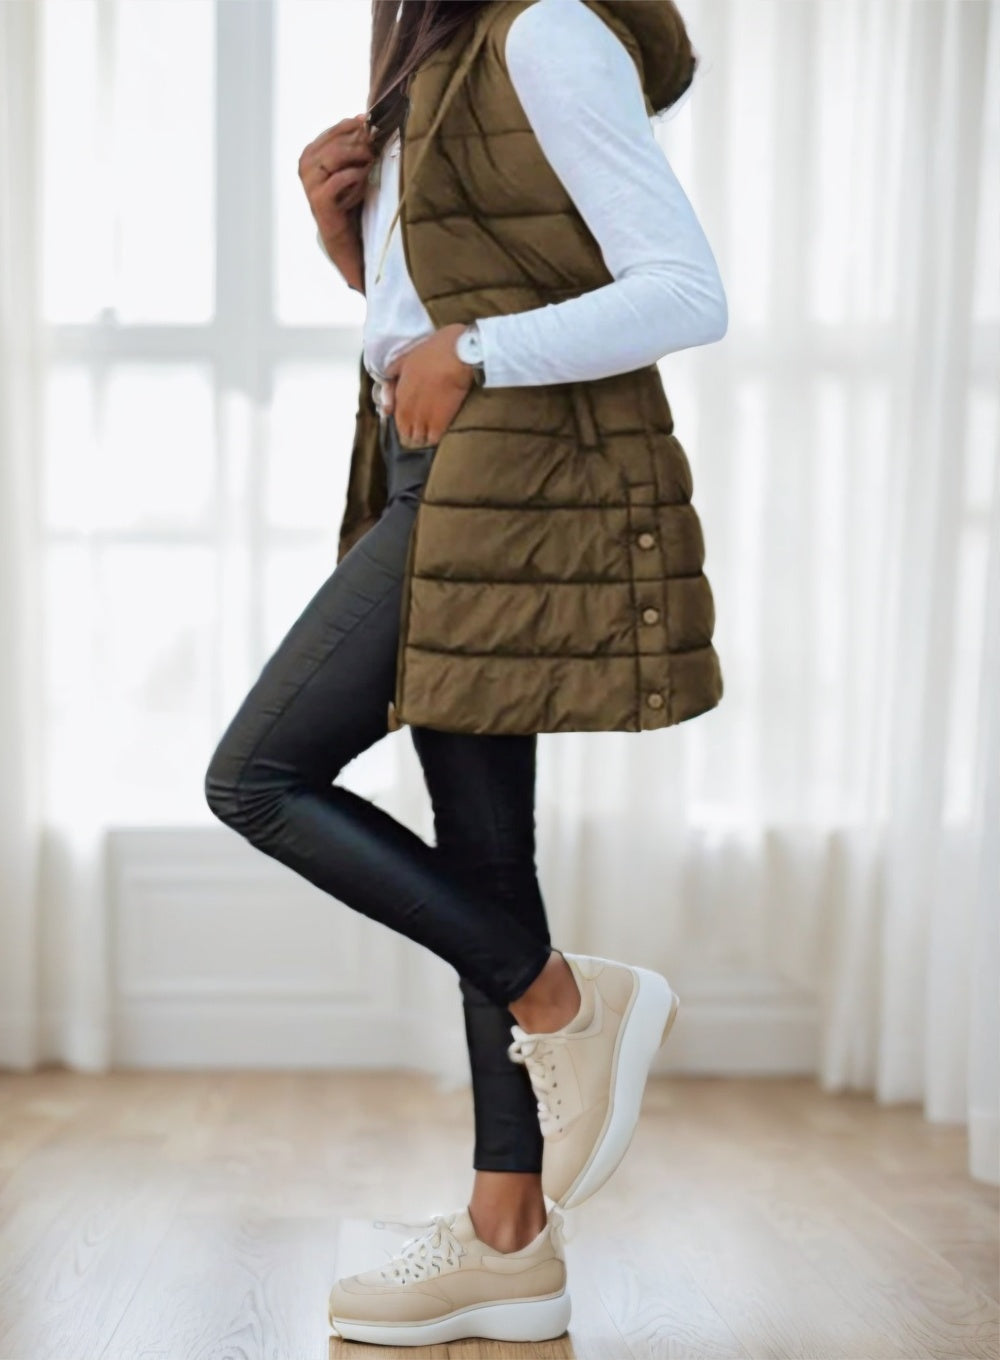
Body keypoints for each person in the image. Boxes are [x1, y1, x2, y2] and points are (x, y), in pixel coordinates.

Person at [204, 0, 727, 1345]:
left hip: (502, 473)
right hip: (435, 467)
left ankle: (566, 1000)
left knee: (257, 776)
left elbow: (685, 289)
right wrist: (354, 248)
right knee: (484, 854)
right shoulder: (435, 57)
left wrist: (474, 349)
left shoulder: (542, 28)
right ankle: (510, 1246)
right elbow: (452, 300)